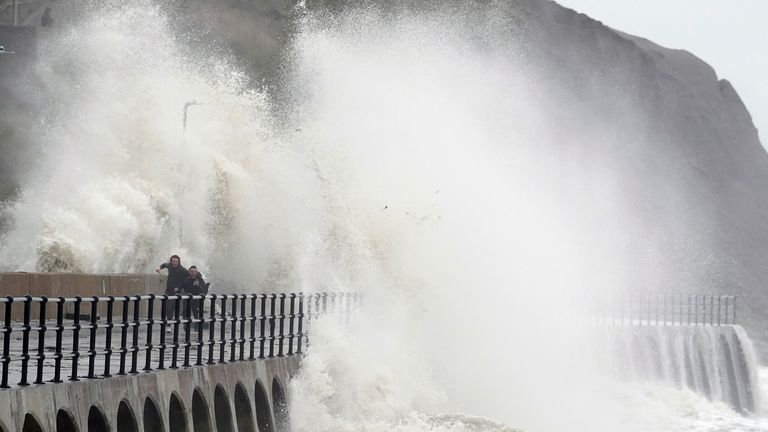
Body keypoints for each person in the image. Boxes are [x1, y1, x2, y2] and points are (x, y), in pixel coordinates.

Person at [156, 255, 188, 322]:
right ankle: (165, 319)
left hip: (177, 291)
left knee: (172, 307)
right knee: (165, 304)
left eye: (176, 261)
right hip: (169, 289)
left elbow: (187, 278)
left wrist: (179, 287)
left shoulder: (182, 270)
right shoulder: (169, 266)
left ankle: (170, 323)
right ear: (171, 262)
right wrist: (159, 268)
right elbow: (164, 265)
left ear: (179, 262)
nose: (175, 263)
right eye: (173, 261)